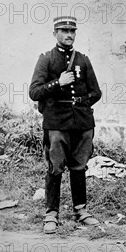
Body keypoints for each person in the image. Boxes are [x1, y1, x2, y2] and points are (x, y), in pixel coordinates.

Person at [29, 16, 102, 234]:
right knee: (56, 165)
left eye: (72, 31)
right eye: (64, 30)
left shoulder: (83, 60)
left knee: (79, 165)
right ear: (55, 33)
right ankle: (51, 213)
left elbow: (96, 92)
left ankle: (81, 210)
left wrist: (81, 103)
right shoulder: (47, 59)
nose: (69, 34)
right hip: (56, 121)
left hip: (81, 121)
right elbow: (34, 92)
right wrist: (57, 83)